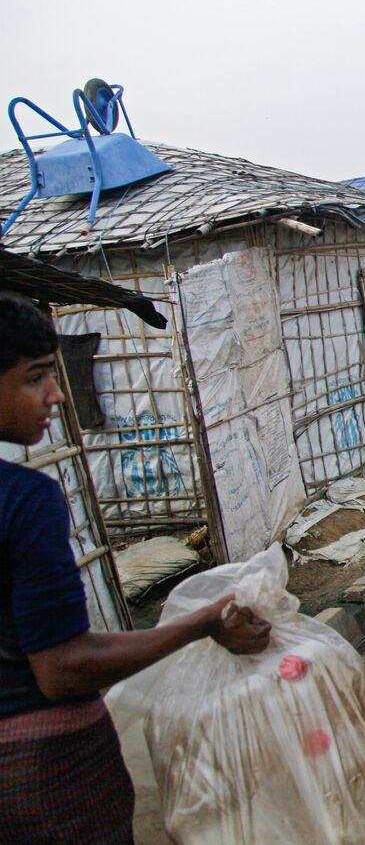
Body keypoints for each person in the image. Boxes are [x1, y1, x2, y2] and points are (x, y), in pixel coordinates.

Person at [0, 292, 270, 843]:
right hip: (45, 778)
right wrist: (202, 623)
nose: (57, 394)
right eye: (34, 378)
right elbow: (62, 668)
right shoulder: (23, 500)